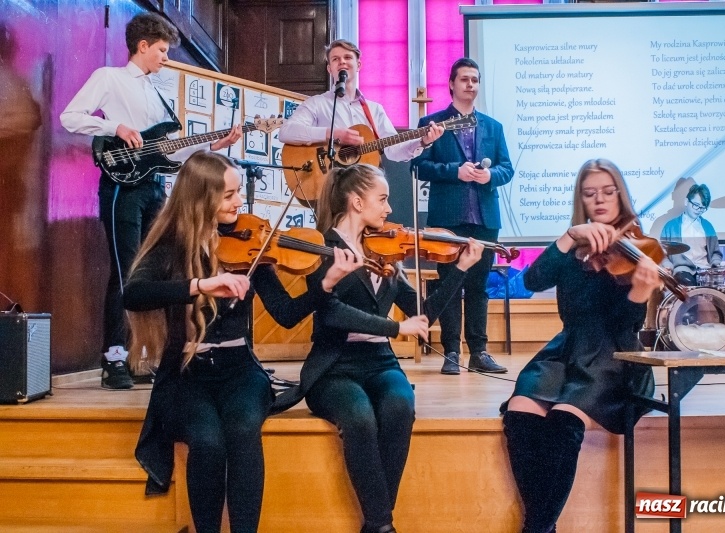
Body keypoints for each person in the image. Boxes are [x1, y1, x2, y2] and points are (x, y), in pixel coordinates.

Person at [123, 151, 361, 533]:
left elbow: (285, 313)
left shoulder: (252, 244)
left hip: (239, 372)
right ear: (201, 198)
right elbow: (133, 295)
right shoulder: (171, 246)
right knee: (207, 440)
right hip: (186, 373)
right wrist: (201, 284)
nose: (240, 202)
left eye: (238, 193)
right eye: (230, 195)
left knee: (243, 431)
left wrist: (327, 283)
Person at [271, 164, 483, 533]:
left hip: (380, 361)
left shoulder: (384, 250)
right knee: (359, 417)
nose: (388, 209)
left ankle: (378, 523)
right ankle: (382, 524)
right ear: (356, 202)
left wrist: (460, 270)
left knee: (400, 406)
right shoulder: (322, 248)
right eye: (382, 199)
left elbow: (423, 314)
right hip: (334, 365)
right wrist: (395, 327)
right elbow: (334, 313)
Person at [60, 12, 242, 389]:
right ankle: (114, 358)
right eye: (161, 50)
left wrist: (212, 146)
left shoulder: (157, 93)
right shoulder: (108, 78)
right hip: (122, 187)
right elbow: (70, 118)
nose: (165, 57)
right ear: (142, 46)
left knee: (153, 271)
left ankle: (143, 356)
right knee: (126, 273)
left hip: (154, 188)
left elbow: (167, 153)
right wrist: (116, 127)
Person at [502, 159, 661, 533]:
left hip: (614, 357)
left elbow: (625, 325)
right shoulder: (574, 247)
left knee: (563, 420)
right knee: (520, 411)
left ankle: (537, 527)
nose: (600, 200)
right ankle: (543, 525)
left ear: (621, 194)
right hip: (566, 349)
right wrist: (569, 237)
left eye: (609, 192)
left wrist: (640, 292)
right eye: (590, 194)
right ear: (582, 201)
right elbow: (532, 279)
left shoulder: (637, 248)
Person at [411, 57, 514, 375]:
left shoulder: (493, 127)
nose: (471, 84)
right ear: (452, 84)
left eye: (475, 80)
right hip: (448, 217)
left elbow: (507, 169)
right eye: (465, 79)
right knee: (449, 285)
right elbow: (419, 167)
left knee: (479, 287)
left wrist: (489, 176)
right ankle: (451, 352)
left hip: (485, 218)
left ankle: (479, 352)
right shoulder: (432, 123)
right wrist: (456, 171)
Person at [278, 39, 443, 162]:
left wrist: (422, 141)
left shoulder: (374, 109)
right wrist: (332, 134)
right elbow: (286, 132)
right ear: (329, 69)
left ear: (358, 65)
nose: (342, 61)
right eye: (335, 59)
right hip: (330, 185)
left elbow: (393, 151)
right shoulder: (316, 103)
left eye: (347, 57)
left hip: (365, 186)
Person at [660, 183, 725, 318]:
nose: (698, 210)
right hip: (683, 271)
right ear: (686, 201)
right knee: (689, 289)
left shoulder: (707, 226)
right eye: (695, 205)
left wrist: (717, 263)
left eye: (702, 208)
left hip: (706, 272)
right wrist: (668, 266)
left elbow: (715, 253)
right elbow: (663, 254)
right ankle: (690, 330)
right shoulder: (670, 226)